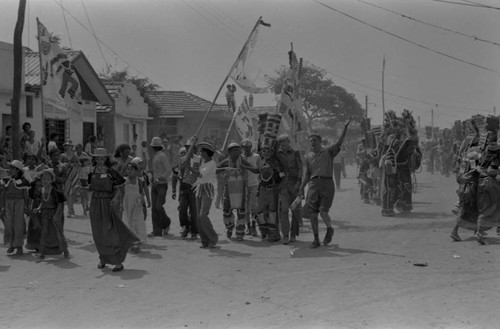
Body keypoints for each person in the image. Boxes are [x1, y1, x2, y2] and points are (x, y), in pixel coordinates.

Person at [298, 117, 351, 248]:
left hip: (327, 184)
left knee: (323, 212)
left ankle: (329, 229)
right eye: (311, 141)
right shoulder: (308, 157)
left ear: (320, 141)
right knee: (313, 214)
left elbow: (339, 143)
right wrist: (301, 188)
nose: (313, 143)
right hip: (313, 185)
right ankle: (316, 239)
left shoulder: (328, 152)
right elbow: (307, 175)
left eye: (315, 140)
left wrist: (345, 128)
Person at [87, 148, 139, 272]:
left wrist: (116, 197)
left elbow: (121, 187)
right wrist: (80, 189)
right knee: (97, 233)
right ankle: (103, 258)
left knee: (110, 232)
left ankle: (117, 261)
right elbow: (90, 188)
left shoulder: (111, 172)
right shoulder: (92, 171)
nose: (99, 160)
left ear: (106, 159)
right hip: (95, 204)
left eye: (102, 158)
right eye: (97, 158)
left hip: (107, 203)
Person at [217, 142, 258, 241]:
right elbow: (215, 170)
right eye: (234, 150)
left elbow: (256, 170)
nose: (236, 152)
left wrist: (246, 168)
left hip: (241, 190)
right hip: (228, 190)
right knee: (227, 211)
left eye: (238, 150)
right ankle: (230, 228)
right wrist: (224, 169)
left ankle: (240, 232)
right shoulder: (226, 162)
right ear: (229, 152)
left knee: (241, 212)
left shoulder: (243, 161)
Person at [34, 169, 69, 259]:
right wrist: (38, 208)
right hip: (44, 214)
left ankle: (65, 250)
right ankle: (42, 251)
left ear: (52, 180)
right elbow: (43, 201)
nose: (45, 181)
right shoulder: (40, 190)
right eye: (44, 179)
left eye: (48, 179)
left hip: (54, 212)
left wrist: (56, 215)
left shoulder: (55, 191)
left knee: (58, 231)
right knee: (44, 232)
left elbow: (60, 203)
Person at [256, 145, 288, 243]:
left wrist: (280, 186)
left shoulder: (275, 163)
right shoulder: (261, 162)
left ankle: (274, 235)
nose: (265, 153)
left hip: (272, 189)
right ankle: (264, 231)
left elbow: (282, 175)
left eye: (268, 151)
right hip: (262, 189)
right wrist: (244, 166)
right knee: (260, 211)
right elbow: (257, 171)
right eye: (264, 151)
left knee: (272, 212)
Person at [192, 141, 219, 248]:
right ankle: (205, 241)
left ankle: (213, 238)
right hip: (199, 188)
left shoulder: (212, 164)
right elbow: (190, 155)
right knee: (198, 217)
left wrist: (189, 168)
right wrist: (193, 142)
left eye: (202, 151)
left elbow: (200, 174)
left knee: (203, 215)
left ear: (207, 153)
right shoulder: (201, 160)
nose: (200, 153)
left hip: (207, 188)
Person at [1, 160, 31, 255]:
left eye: (12, 168)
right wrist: (2, 207)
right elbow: (3, 194)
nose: (10, 170)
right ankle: (11, 244)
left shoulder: (22, 181)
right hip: (8, 204)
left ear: (18, 170)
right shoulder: (6, 180)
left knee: (18, 225)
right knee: (8, 224)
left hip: (19, 204)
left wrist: (27, 207)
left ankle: (19, 246)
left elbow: (25, 195)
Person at [277, 134, 303, 244]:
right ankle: (286, 235)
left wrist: (299, 183)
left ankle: (293, 234)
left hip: (294, 185)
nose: (283, 144)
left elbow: (300, 168)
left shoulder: (295, 153)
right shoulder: (277, 154)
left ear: (289, 141)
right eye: (281, 142)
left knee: (295, 210)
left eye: (285, 141)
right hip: (283, 186)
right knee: (283, 211)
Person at [174, 140, 200, 240]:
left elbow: (199, 173)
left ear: (195, 149)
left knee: (194, 210)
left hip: (194, 186)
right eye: (188, 147)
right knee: (182, 209)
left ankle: (194, 231)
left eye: (192, 147)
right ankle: (185, 227)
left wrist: (188, 167)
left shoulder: (199, 159)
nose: (190, 149)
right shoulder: (182, 159)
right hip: (184, 186)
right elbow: (178, 173)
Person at [149, 137, 172, 237]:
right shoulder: (155, 156)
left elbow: (168, 170)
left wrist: (160, 179)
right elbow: (156, 170)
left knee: (158, 206)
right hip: (154, 184)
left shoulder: (162, 156)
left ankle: (166, 222)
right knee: (154, 208)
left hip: (162, 184)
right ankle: (156, 230)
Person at [122, 161, 147, 253]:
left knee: (137, 222)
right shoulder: (124, 180)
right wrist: (120, 203)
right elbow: (121, 192)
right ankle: (131, 243)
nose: (129, 171)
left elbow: (141, 191)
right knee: (128, 221)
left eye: (131, 169)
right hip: (127, 204)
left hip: (136, 204)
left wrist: (143, 201)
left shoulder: (139, 180)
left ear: (136, 171)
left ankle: (136, 243)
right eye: (128, 169)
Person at [241, 139, 260, 237]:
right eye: (245, 147)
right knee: (245, 208)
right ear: (242, 148)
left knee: (254, 207)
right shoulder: (239, 157)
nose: (247, 149)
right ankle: (248, 226)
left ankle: (253, 227)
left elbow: (258, 170)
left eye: (248, 147)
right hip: (243, 185)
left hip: (254, 184)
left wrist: (246, 167)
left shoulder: (256, 156)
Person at [60, 140, 80, 218]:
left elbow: (79, 164)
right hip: (66, 175)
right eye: (67, 145)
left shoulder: (74, 155)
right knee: (67, 193)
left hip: (73, 175)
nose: (68, 147)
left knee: (72, 193)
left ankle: (71, 209)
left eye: (70, 145)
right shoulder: (62, 156)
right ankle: (70, 209)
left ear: (72, 147)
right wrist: (65, 165)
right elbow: (60, 164)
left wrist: (73, 164)